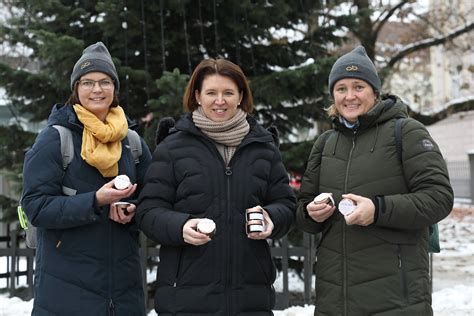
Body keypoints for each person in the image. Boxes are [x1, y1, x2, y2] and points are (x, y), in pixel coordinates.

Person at [296, 46, 453, 315]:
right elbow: (302, 213)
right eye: (341, 88)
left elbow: (438, 198)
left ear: (375, 92)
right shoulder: (325, 143)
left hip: (395, 299)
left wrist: (377, 210)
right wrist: (311, 213)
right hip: (335, 300)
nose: (349, 96)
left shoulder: (407, 132)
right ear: (333, 94)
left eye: (358, 86)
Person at [136, 58, 296, 314]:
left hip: (250, 298)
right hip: (186, 299)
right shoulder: (173, 146)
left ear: (241, 96)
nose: (219, 100)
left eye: (228, 93)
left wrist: (272, 218)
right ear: (197, 96)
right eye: (211, 92)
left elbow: (287, 205)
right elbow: (147, 211)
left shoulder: (263, 147)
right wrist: (180, 226)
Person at [22, 42, 152, 315]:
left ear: (114, 89)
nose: (97, 90)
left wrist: (134, 209)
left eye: (105, 82)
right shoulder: (55, 139)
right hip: (65, 296)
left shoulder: (132, 142)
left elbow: (154, 199)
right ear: (76, 89)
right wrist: (94, 201)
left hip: (124, 294)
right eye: (87, 82)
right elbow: (36, 207)